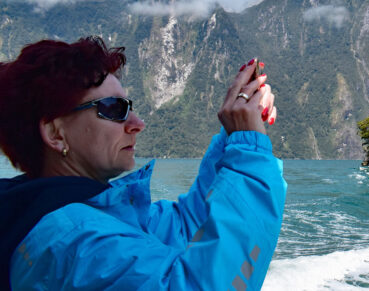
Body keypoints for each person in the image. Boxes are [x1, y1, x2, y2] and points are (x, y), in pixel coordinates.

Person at [0, 36, 287, 290]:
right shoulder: (73, 241)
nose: (138, 124)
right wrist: (250, 152)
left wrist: (236, 136)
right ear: (54, 133)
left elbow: (186, 231)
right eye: (114, 109)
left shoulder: (73, 211)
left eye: (130, 107)